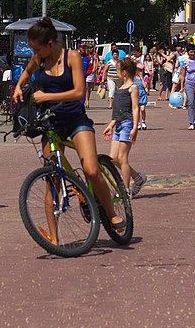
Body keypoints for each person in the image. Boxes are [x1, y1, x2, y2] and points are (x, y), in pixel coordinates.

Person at [13, 19, 121, 236]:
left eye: (37, 48)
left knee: (91, 169)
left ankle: (111, 213)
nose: (35, 53)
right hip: (50, 121)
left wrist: (47, 96)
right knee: (50, 179)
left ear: (50, 43)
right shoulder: (38, 58)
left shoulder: (71, 57)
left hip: (75, 119)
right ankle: (54, 237)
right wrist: (18, 86)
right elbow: (26, 72)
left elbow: (79, 92)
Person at [105, 57, 148, 198]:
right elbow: (118, 110)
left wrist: (135, 127)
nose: (115, 73)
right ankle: (138, 178)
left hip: (127, 124)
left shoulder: (133, 87)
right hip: (118, 124)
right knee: (112, 158)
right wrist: (111, 124)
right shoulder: (120, 87)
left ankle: (125, 190)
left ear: (124, 72)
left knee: (122, 158)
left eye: (117, 70)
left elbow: (135, 108)